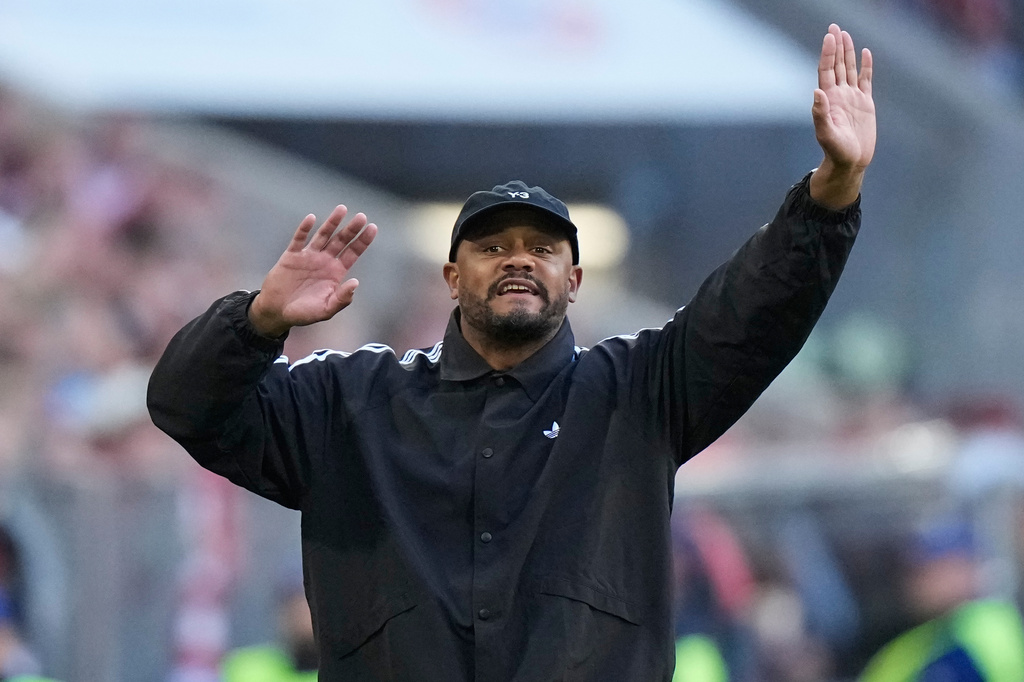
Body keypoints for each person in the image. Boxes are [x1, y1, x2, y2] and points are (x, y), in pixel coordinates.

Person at [147, 23, 874, 681]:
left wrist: (832, 191)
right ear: (451, 277)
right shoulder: (350, 401)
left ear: (575, 281)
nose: (519, 259)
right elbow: (187, 405)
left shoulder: (638, 392)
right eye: (492, 247)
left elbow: (753, 310)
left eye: (543, 249)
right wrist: (257, 320)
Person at [858, 519, 1024, 682]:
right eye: (917, 572)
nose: (921, 583)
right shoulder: (910, 644)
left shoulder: (988, 629)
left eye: (936, 570)